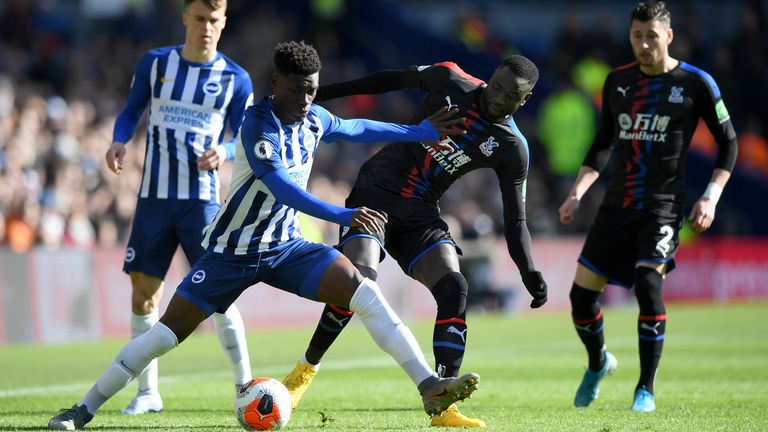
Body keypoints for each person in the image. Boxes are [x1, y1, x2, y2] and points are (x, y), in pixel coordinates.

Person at [47, 40, 481, 431]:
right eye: (298, 89)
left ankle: (428, 385)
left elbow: (356, 127)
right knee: (162, 336)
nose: (307, 99)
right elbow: (282, 189)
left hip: (285, 247)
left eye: (313, 89)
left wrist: (419, 132)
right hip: (230, 253)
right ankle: (80, 411)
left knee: (363, 291)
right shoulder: (257, 126)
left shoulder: (314, 119)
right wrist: (341, 213)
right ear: (276, 82)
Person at [282, 55, 548, 428]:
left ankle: (444, 401)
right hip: (376, 190)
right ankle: (303, 373)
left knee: (455, 287)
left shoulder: (511, 147)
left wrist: (528, 268)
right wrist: (322, 94)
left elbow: (515, 218)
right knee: (357, 281)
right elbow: (390, 78)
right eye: (496, 86)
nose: (497, 98)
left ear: (526, 99)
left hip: (420, 211)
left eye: (509, 96)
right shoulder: (451, 80)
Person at [558, 0, 738, 413]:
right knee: (581, 298)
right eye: (637, 36)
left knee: (649, 284)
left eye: (651, 36)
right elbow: (602, 143)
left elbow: (729, 143)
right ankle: (598, 363)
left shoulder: (697, 83)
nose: (643, 44)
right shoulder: (617, 82)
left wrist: (710, 196)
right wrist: (577, 192)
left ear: (668, 36)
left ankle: (645, 389)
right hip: (616, 204)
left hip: (662, 206)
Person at [102, 0, 254, 415]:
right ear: (185, 18)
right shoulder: (155, 63)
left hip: (202, 204)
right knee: (144, 296)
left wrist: (223, 150)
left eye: (214, 21)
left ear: (224, 24)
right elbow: (132, 109)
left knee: (220, 295)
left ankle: (245, 387)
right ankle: (147, 393)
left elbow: (243, 136)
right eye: (200, 18)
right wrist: (120, 139)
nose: (206, 27)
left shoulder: (236, 79)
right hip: (154, 198)